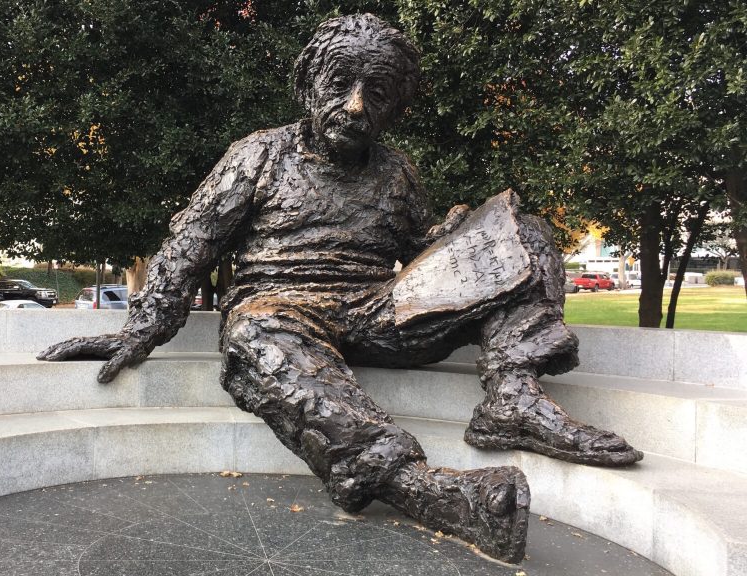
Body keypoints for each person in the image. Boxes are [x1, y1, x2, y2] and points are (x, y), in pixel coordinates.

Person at [39, 13, 641, 562]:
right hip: (283, 310)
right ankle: (425, 491)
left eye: (376, 94)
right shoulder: (259, 156)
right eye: (340, 87)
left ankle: (511, 395)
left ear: (394, 107)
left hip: (379, 310)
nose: (356, 107)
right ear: (307, 88)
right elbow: (190, 246)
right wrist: (139, 329)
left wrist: (457, 238)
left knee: (524, 237)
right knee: (255, 335)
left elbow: (419, 254)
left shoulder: (397, 171)